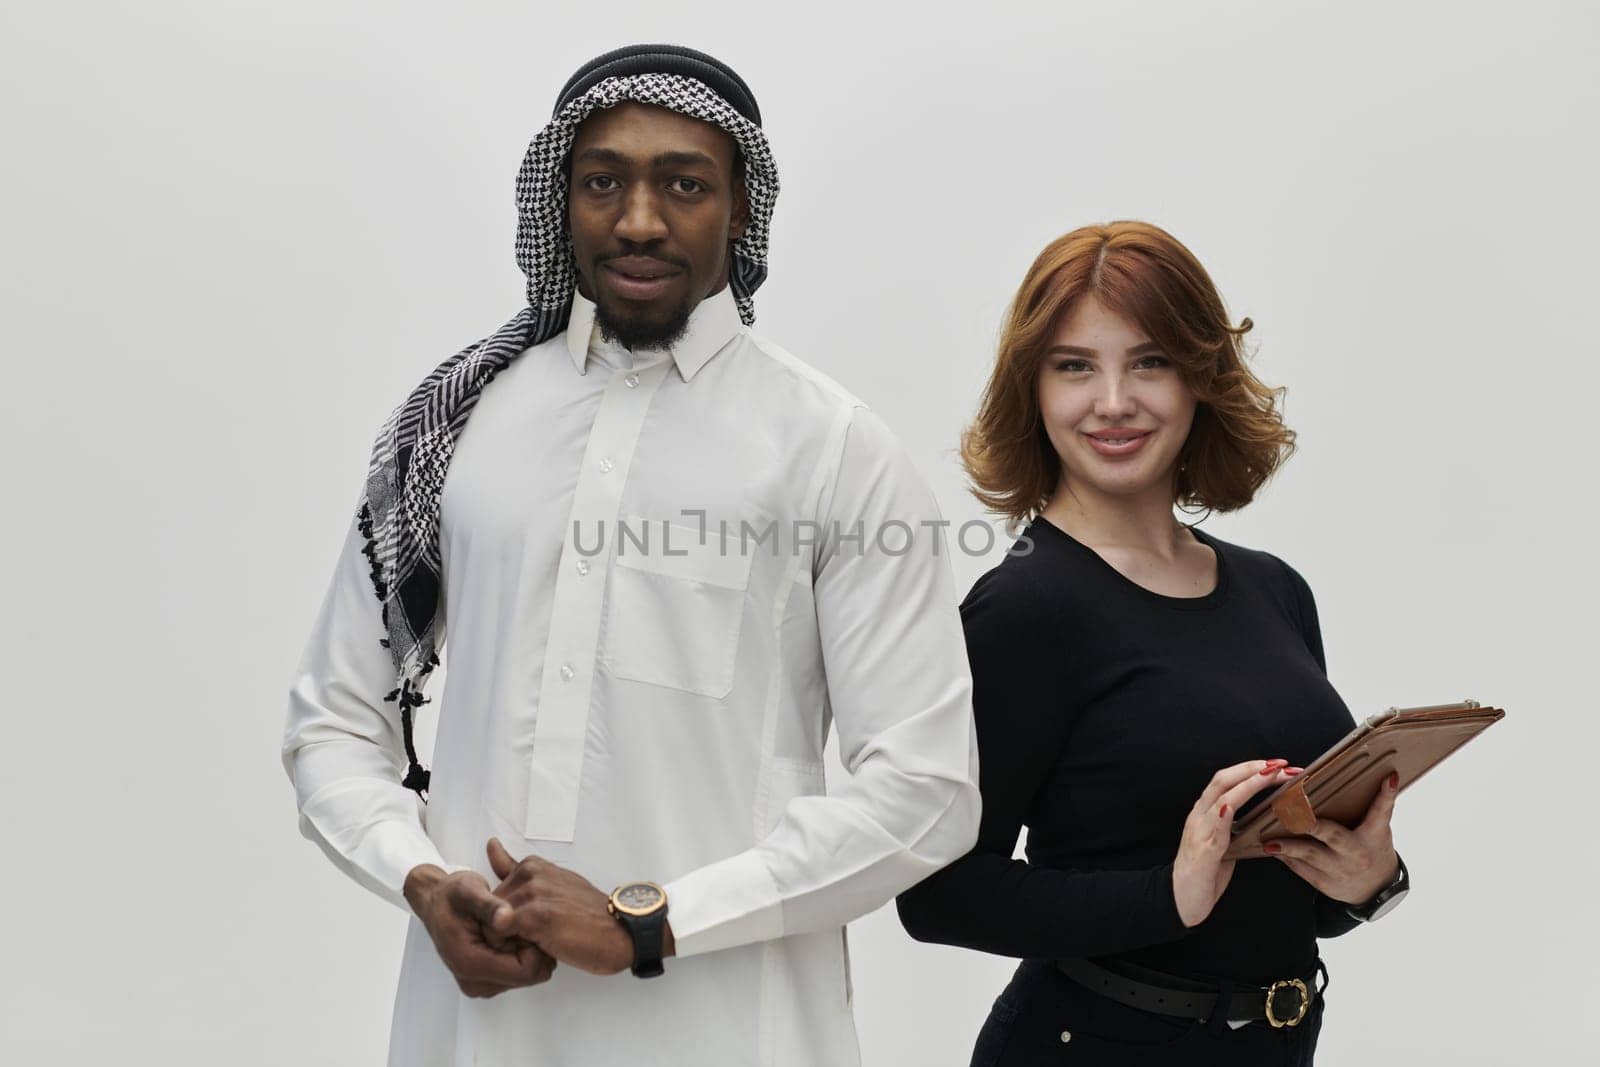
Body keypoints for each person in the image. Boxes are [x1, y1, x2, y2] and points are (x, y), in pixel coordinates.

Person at [283, 44, 980, 1067]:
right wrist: (422, 880)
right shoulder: (455, 426)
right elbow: (333, 723)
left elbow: (927, 790)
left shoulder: (831, 446)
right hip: (474, 1030)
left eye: (684, 184)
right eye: (603, 180)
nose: (640, 218)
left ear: (742, 209)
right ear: (561, 198)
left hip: (739, 1030)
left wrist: (650, 921)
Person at [896, 221, 1410, 1066]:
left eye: (1150, 361)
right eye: (1074, 366)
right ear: (1032, 389)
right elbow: (936, 893)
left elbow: (1277, 896)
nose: (1112, 401)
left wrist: (1366, 882)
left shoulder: (1274, 589)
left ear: (1200, 377)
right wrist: (1163, 895)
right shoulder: (1025, 606)